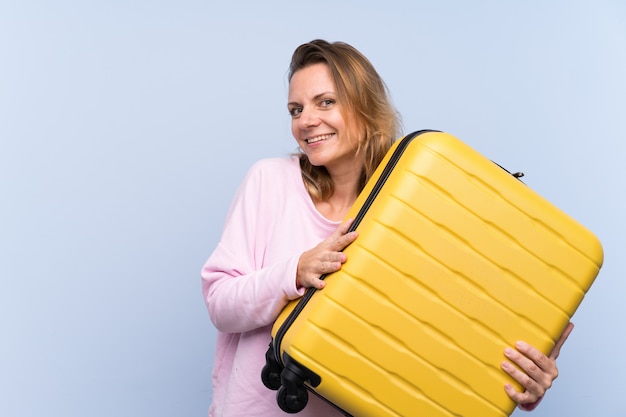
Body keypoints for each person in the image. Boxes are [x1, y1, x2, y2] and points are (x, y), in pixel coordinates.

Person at [201, 39, 573, 417]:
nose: (305, 121)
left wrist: (519, 385)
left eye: (325, 102)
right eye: (296, 109)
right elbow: (220, 302)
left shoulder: (415, 202)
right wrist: (295, 271)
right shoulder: (269, 180)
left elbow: (436, 333)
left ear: (366, 106)